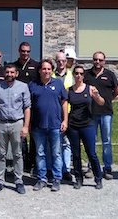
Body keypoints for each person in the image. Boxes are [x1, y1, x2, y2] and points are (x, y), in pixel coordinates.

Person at [0, 63, 31, 195]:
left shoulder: (23, 87)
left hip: (17, 123)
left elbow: (27, 108)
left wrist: (25, 126)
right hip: (1, 124)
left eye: (12, 72)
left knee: (17, 154)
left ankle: (18, 181)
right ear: (4, 73)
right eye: (7, 72)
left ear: (16, 74)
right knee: (0, 154)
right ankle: (0, 181)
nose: (9, 74)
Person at [29, 59, 68, 192]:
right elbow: (28, 106)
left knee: (56, 153)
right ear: (39, 70)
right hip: (38, 126)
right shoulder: (33, 85)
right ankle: (42, 179)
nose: (46, 71)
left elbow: (64, 103)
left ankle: (57, 178)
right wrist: (27, 124)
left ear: (52, 70)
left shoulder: (58, 83)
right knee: (40, 153)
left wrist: (65, 121)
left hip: (55, 125)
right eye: (44, 69)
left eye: (49, 69)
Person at [67, 64, 105, 190]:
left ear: (84, 75)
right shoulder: (69, 90)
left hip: (87, 124)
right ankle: (78, 178)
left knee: (91, 153)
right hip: (73, 126)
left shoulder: (90, 89)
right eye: (76, 73)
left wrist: (97, 95)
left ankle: (98, 178)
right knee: (76, 154)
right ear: (73, 75)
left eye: (81, 74)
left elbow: (101, 102)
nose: (78, 76)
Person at [84, 50, 118, 180]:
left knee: (106, 141)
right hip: (91, 113)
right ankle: (91, 166)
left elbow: (116, 91)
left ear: (104, 61)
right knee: (90, 141)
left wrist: (108, 100)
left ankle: (107, 168)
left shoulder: (110, 75)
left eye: (100, 60)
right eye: (95, 59)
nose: (97, 62)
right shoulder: (86, 75)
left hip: (106, 113)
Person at [11, 41, 39, 173]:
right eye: (23, 51)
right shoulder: (14, 66)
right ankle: (21, 160)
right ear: (19, 51)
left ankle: (32, 162)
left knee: (33, 134)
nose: (25, 53)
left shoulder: (36, 65)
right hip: (17, 105)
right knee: (20, 136)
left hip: (32, 105)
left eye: (27, 51)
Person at [53, 50, 74, 182]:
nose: (61, 63)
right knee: (55, 143)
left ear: (66, 62)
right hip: (54, 113)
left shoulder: (72, 75)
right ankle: (56, 169)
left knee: (66, 143)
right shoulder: (51, 75)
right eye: (58, 61)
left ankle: (66, 169)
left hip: (69, 113)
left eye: (63, 61)